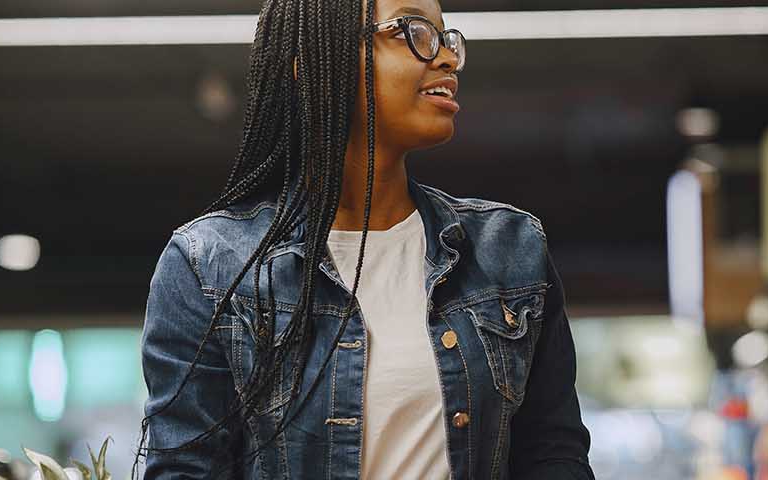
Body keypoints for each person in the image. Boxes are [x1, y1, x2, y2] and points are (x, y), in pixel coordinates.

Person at [136, 0, 593, 478]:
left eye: (447, 37)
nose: (446, 58)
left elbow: (552, 453)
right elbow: (187, 468)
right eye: (414, 31)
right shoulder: (211, 267)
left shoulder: (509, 249)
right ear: (315, 63)